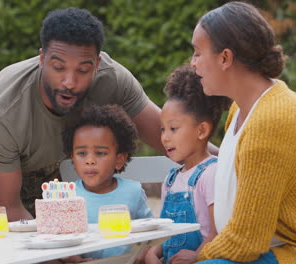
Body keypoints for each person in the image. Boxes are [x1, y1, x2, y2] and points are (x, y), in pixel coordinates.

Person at [0, 7, 164, 229]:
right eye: (58, 67)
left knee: (68, 228)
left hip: (47, 156)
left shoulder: (113, 80)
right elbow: (9, 210)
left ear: (97, 65)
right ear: (42, 59)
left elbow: (171, 138)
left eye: (82, 70)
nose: (69, 81)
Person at [189, 2, 296, 264]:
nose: (192, 64)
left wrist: (199, 256)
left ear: (225, 58)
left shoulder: (272, 120)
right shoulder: (241, 108)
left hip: (282, 253)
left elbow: (247, 241)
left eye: (197, 53)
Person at [142, 65, 231, 264]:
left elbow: (219, 232)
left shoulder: (211, 174)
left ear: (201, 131)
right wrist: (153, 252)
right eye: (162, 129)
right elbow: (167, 230)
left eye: (173, 129)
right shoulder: (171, 180)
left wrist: (197, 255)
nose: (164, 138)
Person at [62, 104, 154, 259]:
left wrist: (143, 253)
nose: (90, 161)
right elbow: (59, 239)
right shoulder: (67, 196)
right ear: (72, 157)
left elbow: (151, 233)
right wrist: (73, 258)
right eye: (82, 153)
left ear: (119, 160)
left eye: (100, 153)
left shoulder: (133, 191)